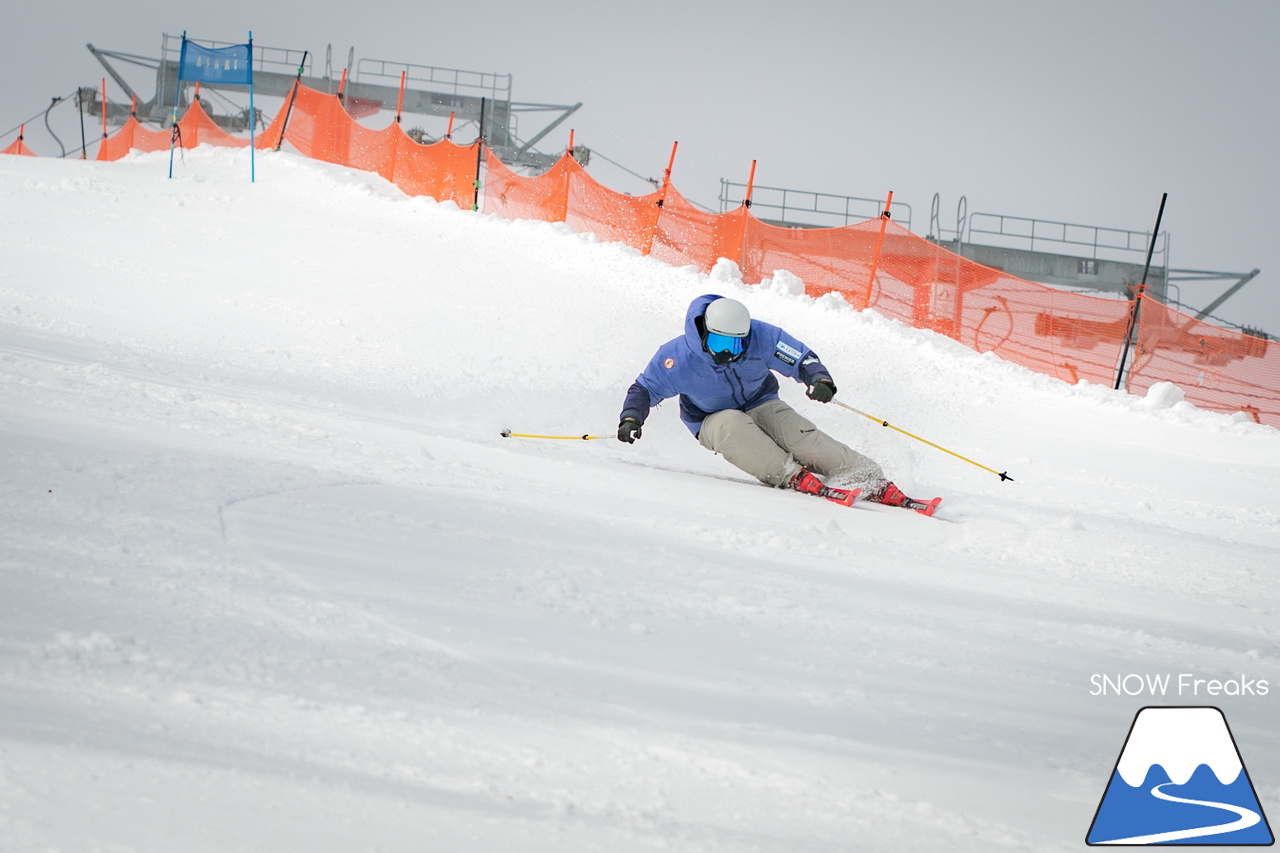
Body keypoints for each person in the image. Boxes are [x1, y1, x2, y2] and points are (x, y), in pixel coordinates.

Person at [617, 293, 920, 508]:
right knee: (732, 426)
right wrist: (631, 417)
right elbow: (644, 388)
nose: (727, 353)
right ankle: (789, 474)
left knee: (800, 436)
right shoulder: (677, 357)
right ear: (705, 333)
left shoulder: (761, 337)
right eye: (719, 343)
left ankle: (869, 478)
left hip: (760, 400)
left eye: (735, 344)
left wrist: (819, 379)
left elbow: (800, 358)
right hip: (709, 417)